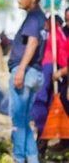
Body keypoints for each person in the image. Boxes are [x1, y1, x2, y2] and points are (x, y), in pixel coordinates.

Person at [8, 0, 46, 163]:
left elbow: (33, 42)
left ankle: (19, 159)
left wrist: (20, 70)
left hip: (26, 71)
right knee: (24, 123)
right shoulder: (40, 18)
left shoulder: (33, 17)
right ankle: (32, 159)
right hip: (34, 73)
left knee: (18, 122)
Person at [32, 14, 69, 158]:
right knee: (51, 105)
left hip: (57, 72)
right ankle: (42, 143)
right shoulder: (60, 33)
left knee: (44, 102)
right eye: (66, 19)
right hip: (57, 74)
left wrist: (61, 71)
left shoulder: (57, 33)